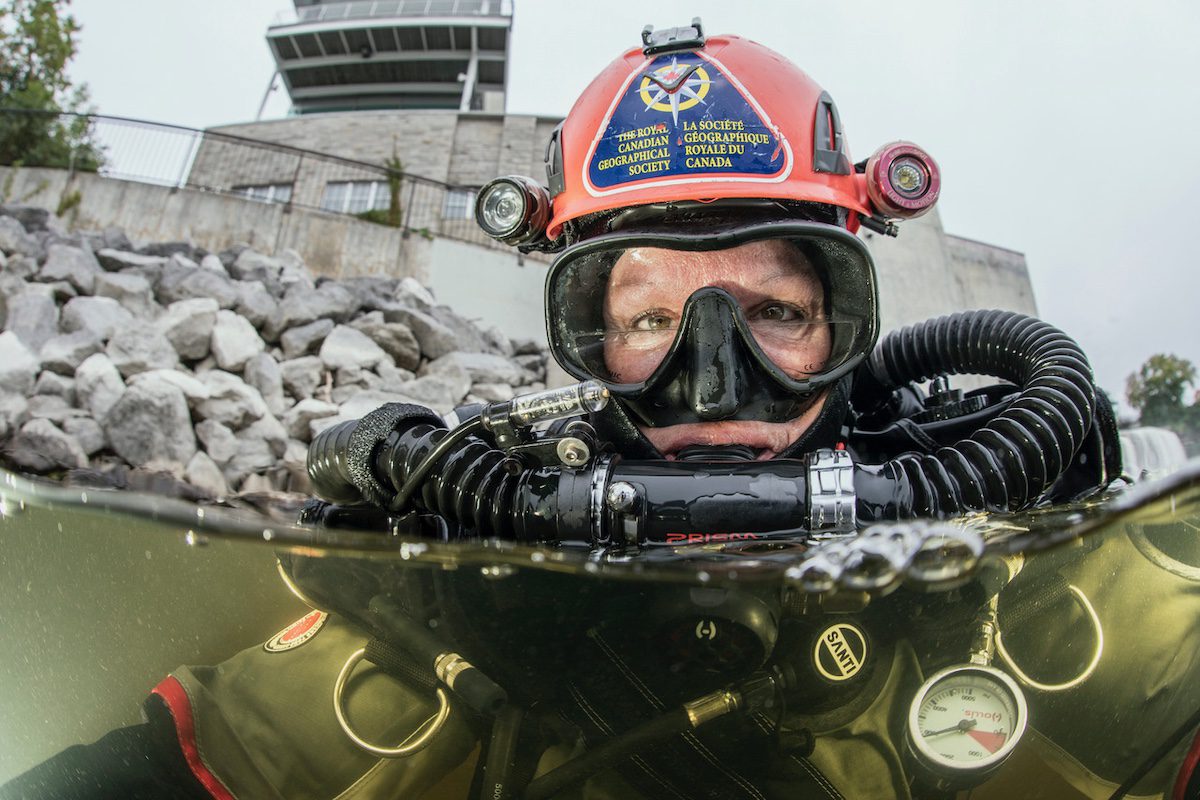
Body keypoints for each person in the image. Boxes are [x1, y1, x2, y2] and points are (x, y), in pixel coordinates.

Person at [2, 19, 1131, 800]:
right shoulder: (495, 562)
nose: (712, 379)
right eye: (649, 320)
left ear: (848, 318)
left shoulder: (993, 541)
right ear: (586, 336)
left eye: (774, 308)